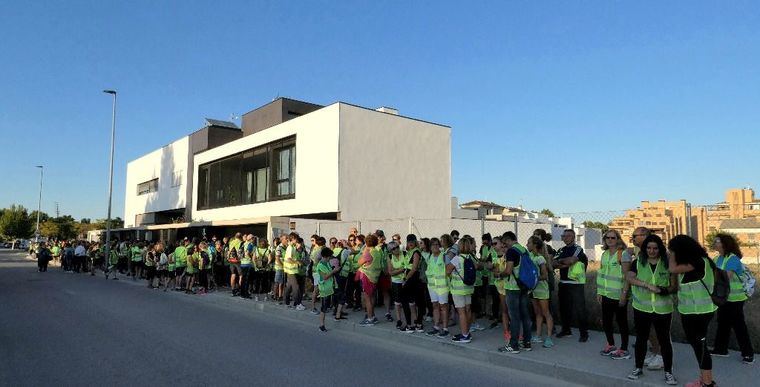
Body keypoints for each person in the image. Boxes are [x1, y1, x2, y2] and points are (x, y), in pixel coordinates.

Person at [625, 234, 678, 385]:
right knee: (641, 339)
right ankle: (638, 367)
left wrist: (662, 290)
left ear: (660, 248)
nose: (652, 251)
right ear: (644, 249)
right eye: (648, 248)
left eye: (655, 248)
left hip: (663, 309)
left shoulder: (667, 263)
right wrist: (647, 285)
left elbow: (674, 287)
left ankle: (668, 372)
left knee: (664, 341)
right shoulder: (638, 262)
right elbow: (629, 277)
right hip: (642, 308)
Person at [668, 235, 718, 387]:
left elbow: (672, 268)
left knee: (700, 347)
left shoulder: (697, 262)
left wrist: (671, 254)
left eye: (673, 250)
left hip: (697, 313)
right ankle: (704, 379)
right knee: (699, 346)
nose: (670, 252)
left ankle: (707, 383)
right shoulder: (700, 261)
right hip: (696, 311)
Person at [710, 233, 754, 364]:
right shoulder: (718, 258)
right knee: (723, 322)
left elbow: (725, 278)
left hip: (736, 298)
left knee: (739, 325)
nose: (714, 243)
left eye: (717, 241)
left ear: (724, 244)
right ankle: (720, 349)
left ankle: (748, 353)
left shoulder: (732, 259)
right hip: (724, 298)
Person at [597, 229, 632, 360]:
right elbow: (601, 274)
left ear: (618, 239)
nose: (610, 240)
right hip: (606, 294)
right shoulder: (604, 254)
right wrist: (599, 292)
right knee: (606, 321)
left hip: (619, 295)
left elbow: (627, 276)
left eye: (613, 238)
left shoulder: (623, 254)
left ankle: (623, 349)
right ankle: (611, 345)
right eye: (607, 238)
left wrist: (624, 294)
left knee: (621, 322)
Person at [497, 231, 532, 353]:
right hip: (524, 286)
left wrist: (498, 275)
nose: (503, 245)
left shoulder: (512, 251)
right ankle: (527, 343)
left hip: (512, 288)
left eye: (504, 242)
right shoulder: (523, 249)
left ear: (507, 239)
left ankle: (513, 345)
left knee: (514, 317)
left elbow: (508, 271)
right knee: (525, 315)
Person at [553, 229, 589, 342]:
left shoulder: (578, 249)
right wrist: (564, 262)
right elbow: (553, 264)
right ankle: (566, 330)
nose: (566, 238)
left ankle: (584, 333)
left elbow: (572, 261)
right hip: (563, 283)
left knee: (580, 310)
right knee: (564, 308)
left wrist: (561, 261)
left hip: (576, 284)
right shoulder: (561, 250)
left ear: (573, 237)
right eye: (564, 236)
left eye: (568, 236)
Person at [447, 235, 475, 343]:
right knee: (468, 311)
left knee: (461, 312)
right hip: (468, 288)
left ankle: (464, 335)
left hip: (458, 289)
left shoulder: (456, 259)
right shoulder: (470, 257)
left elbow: (448, 271)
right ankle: (467, 332)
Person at [527, 236, 554, 349]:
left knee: (546, 313)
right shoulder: (529, 256)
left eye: (529, 243)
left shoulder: (540, 258)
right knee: (537, 313)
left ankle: (549, 337)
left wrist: (534, 278)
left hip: (542, 289)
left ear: (535, 245)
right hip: (533, 289)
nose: (527, 245)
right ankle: (538, 335)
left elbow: (544, 275)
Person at [425, 237, 450, 338]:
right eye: (433, 245)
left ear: (440, 246)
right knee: (435, 306)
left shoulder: (444, 256)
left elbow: (449, 270)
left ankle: (445, 328)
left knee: (443, 307)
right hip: (432, 287)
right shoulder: (430, 257)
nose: (435, 246)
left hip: (443, 287)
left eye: (437, 244)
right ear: (430, 247)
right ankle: (436, 327)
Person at [358, 234, 383, 326]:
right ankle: (373, 316)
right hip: (375, 277)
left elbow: (359, 262)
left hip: (367, 277)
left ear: (366, 243)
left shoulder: (368, 252)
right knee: (372, 297)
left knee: (367, 299)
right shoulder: (377, 252)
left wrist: (365, 250)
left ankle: (369, 319)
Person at [388, 241, 412, 331]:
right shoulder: (390, 257)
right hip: (396, 282)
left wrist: (397, 270)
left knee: (407, 302)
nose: (396, 249)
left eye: (397, 247)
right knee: (397, 302)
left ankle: (410, 320)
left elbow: (408, 267)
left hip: (405, 280)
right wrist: (402, 269)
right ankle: (399, 320)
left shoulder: (405, 253)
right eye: (393, 248)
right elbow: (390, 272)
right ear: (391, 251)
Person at [283, 233, 306, 310]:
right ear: (292, 239)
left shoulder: (292, 247)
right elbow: (289, 259)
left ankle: (286, 302)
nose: (297, 240)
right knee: (296, 287)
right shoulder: (290, 247)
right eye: (296, 239)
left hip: (292, 270)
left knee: (289, 287)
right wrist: (297, 262)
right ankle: (297, 304)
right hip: (291, 270)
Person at [316, 247, 337, 332]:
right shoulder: (320, 265)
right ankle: (321, 325)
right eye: (330, 257)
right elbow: (325, 277)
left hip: (329, 288)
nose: (330, 258)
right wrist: (334, 271)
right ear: (326, 256)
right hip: (324, 289)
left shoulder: (327, 263)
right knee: (323, 308)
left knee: (326, 307)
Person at [273, 235, 287, 303]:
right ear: (282, 240)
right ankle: (275, 295)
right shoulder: (279, 247)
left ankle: (280, 295)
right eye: (286, 239)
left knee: (282, 282)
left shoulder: (286, 247)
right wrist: (283, 266)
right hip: (279, 267)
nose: (287, 240)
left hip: (285, 267)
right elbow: (277, 259)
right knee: (278, 282)